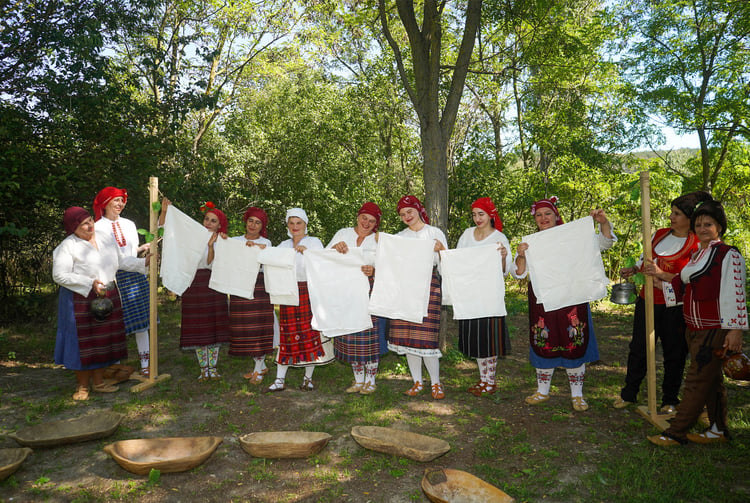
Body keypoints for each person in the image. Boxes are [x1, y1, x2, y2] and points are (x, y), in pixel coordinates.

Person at [648, 200, 746, 446]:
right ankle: (718, 429)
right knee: (711, 380)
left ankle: (675, 432)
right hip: (693, 328)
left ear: (720, 227)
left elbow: (735, 293)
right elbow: (684, 287)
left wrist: (735, 330)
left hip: (714, 328)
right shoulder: (698, 254)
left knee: (695, 381)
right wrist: (657, 280)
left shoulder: (728, 254)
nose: (703, 228)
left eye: (709, 224)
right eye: (699, 224)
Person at [513, 197, 615, 411]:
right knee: (545, 340)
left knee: (573, 339)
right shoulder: (531, 243)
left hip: (571, 298)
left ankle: (577, 395)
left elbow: (604, 243)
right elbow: (520, 275)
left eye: (547, 214)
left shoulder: (572, 237)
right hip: (543, 299)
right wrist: (521, 255)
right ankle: (542, 391)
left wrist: (603, 222)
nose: (543, 218)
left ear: (555, 215)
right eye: (539, 215)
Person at [615, 192, 711, 412]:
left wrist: (660, 273)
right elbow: (644, 262)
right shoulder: (658, 235)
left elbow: (692, 280)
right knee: (638, 347)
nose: (671, 217)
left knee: (674, 351)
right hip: (647, 299)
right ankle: (629, 393)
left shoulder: (697, 244)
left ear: (690, 218)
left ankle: (669, 399)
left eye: (677, 214)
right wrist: (633, 269)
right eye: (672, 212)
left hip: (675, 307)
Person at [52, 207, 148, 400]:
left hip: (108, 294)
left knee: (103, 341)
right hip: (80, 298)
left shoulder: (105, 237)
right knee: (84, 344)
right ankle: (82, 387)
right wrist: (90, 283)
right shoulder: (68, 246)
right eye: (83, 224)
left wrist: (143, 264)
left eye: (90, 221)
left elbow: (121, 261)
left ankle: (99, 382)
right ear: (73, 227)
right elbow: (59, 275)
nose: (89, 226)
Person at [160, 198, 231, 381]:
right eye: (207, 219)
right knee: (200, 327)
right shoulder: (193, 234)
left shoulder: (224, 240)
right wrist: (166, 212)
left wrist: (211, 245)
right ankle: (203, 368)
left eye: (213, 220)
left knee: (214, 325)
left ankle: (213, 367)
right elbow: (166, 230)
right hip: (195, 282)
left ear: (220, 225)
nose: (208, 223)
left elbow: (210, 262)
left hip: (215, 284)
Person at [388, 195, 448, 400]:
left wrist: (442, 252)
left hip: (428, 286)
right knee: (408, 338)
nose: (406, 216)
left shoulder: (433, 233)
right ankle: (417, 382)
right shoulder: (400, 237)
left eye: (409, 212)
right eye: (402, 214)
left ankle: (436, 383)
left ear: (418, 210)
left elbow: (445, 265)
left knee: (426, 338)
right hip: (405, 289)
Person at [93, 187, 152, 377]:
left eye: (122, 200)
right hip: (113, 278)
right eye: (116, 200)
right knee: (116, 323)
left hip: (134, 276)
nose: (120, 204)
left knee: (142, 322)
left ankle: (146, 363)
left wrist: (143, 249)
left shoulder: (129, 224)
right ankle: (115, 365)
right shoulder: (98, 227)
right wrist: (144, 262)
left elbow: (130, 252)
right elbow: (115, 260)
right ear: (105, 202)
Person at [456, 197, 513, 397]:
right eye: (474, 214)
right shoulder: (466, 235)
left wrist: (504, 257)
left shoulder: (499, 238)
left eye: (481, 214)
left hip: (489, 297)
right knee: (477, 340)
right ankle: (483, 379)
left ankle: (490, 381)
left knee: (489, 340)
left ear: (491, 215)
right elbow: (458, 260)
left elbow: (505, 272)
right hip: (470, 295)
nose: (477, 218)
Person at [328, 202, 386, 394]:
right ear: (358, 216)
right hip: (345, 290)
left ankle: (371, 380)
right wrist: (335, 248)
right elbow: (324, 257)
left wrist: (375, 270)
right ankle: (357, 380)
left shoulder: (379, 240)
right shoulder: (343, 233)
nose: (366, 223)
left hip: (369, 290)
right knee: (351, 332)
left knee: (369, 334)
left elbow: (389, 265)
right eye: (364, 218)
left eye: (372, 221)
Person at [267, 208, 325, 392]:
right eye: (291, 223)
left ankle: (308, 378)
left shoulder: (314, 242)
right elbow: (272, 262)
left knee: (310, 333)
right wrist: (261, 250)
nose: (295, 227)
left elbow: (322, 263)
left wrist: (307, 252)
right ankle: (279, 379)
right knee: (287, 334)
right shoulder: (283, 245)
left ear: (305, 224)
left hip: (308, 290)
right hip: (288, 292)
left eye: (298, 223)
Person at [228, 207, 275, 384]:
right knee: (244, 327)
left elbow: (267, 261)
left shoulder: (267, 242)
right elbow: (228, 258)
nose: (253, 225)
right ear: (245, 221)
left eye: (258, 222)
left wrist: (255, 248)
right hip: (239, 286)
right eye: (251, 221)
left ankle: (258, 368)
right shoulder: (234, 241)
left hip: (259, 287)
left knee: (258, 327)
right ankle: (260, 365)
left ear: (262, 225)